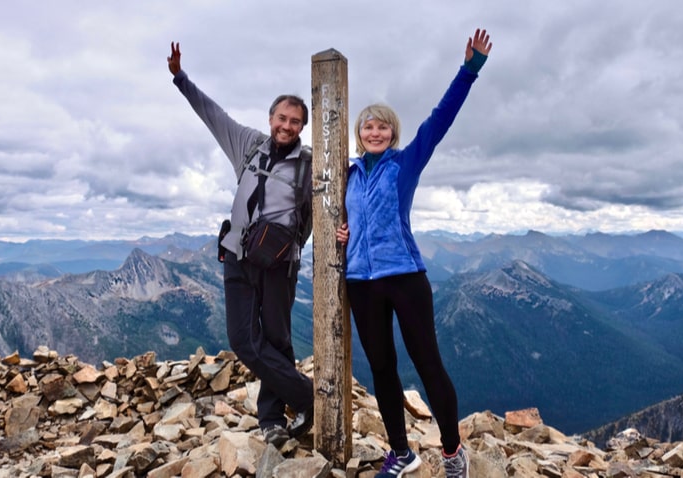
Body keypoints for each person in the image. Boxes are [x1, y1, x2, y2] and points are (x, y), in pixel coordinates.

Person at [336, 29, 492, 477]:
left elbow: (441, 119)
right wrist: (344, 233)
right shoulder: (346, 175)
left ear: (393, 133)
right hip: (361, 283)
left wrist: (470, 69)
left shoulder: (405, 163)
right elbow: (337, 215)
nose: (375, 130)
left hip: (405, 276)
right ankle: (401, 453)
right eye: (368, 125)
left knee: (427, 364)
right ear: (359, 134)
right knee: (382, 369)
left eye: (383, 125)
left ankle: (451, 451)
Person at [167, 42, 314, 447]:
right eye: (282, 118)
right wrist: (181, 79)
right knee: (243, 340)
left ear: (303, 126)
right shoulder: (248, 144)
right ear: (271, 118)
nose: (287, 126)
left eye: (296, 121)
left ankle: (271, 421)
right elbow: (212, 114)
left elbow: (334, 202)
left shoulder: (309, 163)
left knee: (278, 341)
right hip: (237, 255)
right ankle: (307, 397)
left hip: (280, 263)